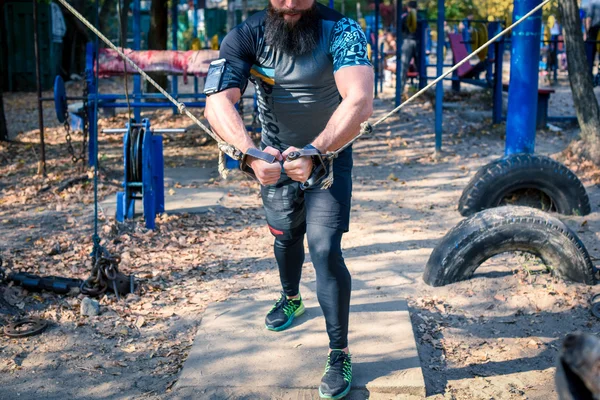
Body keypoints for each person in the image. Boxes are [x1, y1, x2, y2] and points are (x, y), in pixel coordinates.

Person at [203, 0, 374, 398]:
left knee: (325, 249)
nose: (291, 3)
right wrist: (248, 153)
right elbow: (217, 102)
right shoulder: (247, 35)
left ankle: (339, 352)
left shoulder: (343, 30)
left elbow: (360, 101)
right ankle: (292, 297)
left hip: (328, 155)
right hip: (273, 156)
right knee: (284, 234)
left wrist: (317, 151)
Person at [398, 1, 418, 97]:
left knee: (403, 67)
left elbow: (400, 30)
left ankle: (400, 90)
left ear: (408, 8)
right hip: (418, 42)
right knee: (421, 67)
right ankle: (422, 88)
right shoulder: (420, 17)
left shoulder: (405, 17)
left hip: (407, 42)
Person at [586, 0, 600, 76]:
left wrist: (587, 33)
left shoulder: (592, 3)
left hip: (593, 32)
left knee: (590, 57)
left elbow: (589, 19)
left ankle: (589, 77)